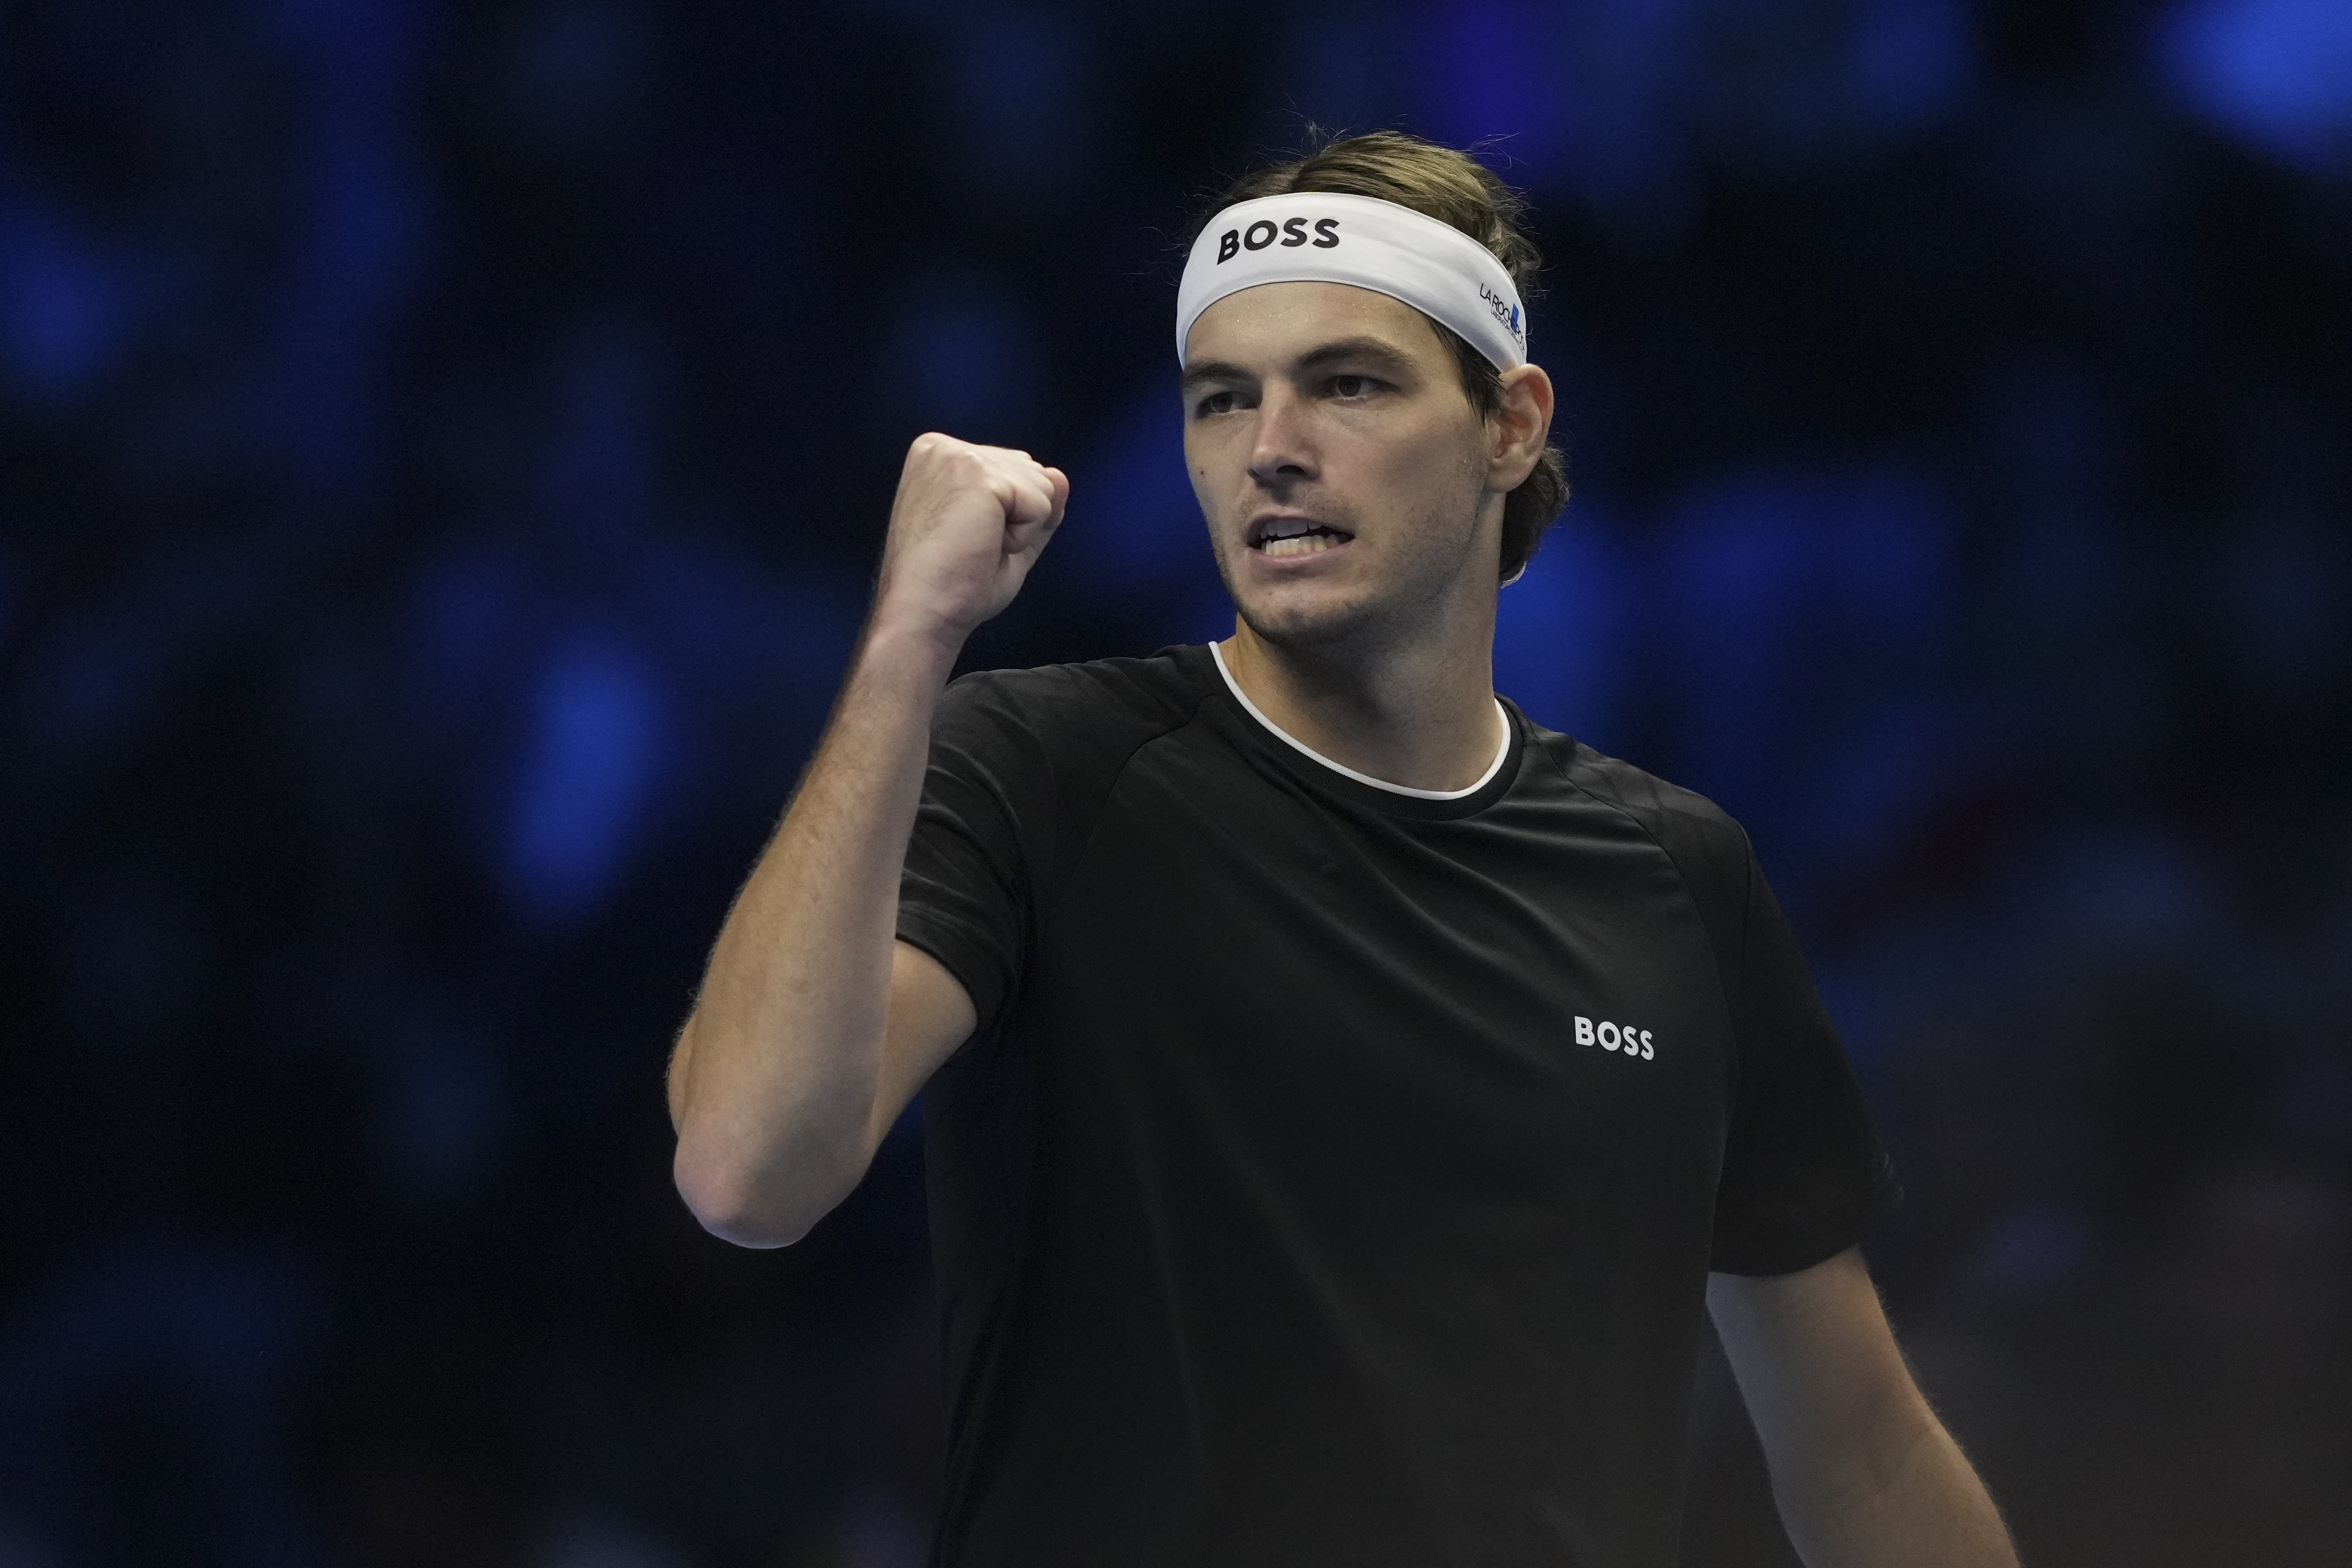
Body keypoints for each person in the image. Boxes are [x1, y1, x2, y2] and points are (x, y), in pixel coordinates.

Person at [666, 131, 2019, 1568]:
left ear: (1509, 426)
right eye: (1222, 398)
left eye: (1349, 384)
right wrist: (906, 640)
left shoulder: (1679, 877)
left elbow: (1863, 1451)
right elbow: (751, 1172)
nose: (1271, 448)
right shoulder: (1043, 768)